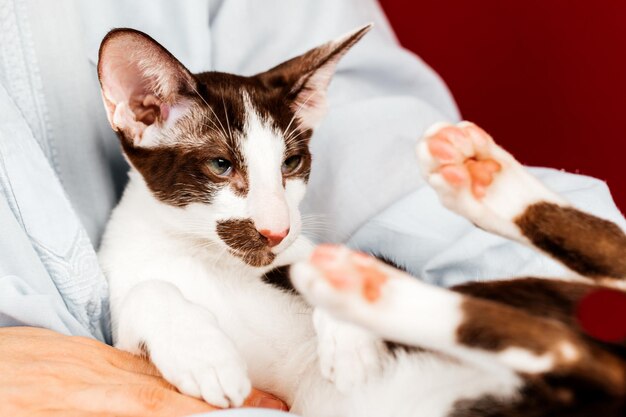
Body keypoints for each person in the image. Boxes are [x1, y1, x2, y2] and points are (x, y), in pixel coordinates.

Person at [1, 0, 624, 416]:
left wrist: (344, 308)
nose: (278, 220)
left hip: (448, 377)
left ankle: (560, 242)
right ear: (142, 113)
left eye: (291, 166)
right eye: (225, 168)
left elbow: (381, 178)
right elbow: (137, 310)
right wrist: (155, 311)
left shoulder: (298, 251)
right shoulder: (138, 270)